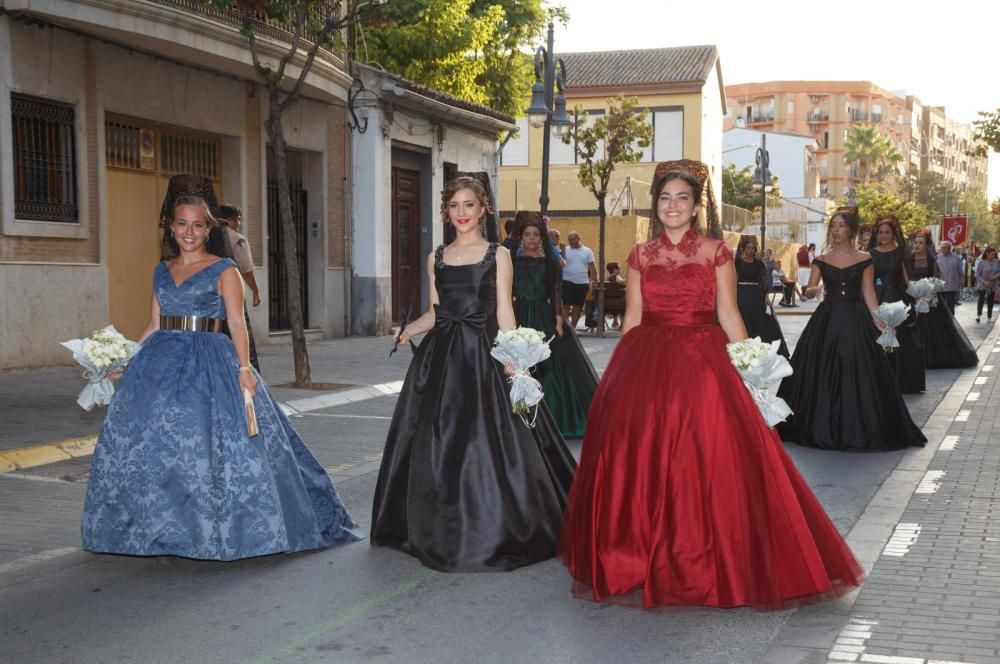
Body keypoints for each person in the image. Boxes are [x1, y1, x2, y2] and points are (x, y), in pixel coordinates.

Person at [560, 166, 863, 609]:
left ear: (696, 207)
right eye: (665, 198)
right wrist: (617, 376)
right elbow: (633, 316)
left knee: (706, 455)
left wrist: (752, 371)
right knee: (645, 456)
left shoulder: (717, 252)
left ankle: (702, 559)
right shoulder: (640, 254)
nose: (673, 206)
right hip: (646, 361)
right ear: (656, 204)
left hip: (704, 360)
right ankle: (641, 555)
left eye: (682, 198)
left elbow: (729, 314)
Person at [81, 193, 361, 560]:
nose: (189, 232)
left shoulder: (225, 269)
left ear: (208, 228)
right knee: (148, 442)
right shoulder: (161, 270)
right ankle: (158, 529)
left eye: (198, 225)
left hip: (209, 358)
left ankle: (218, 530)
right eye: (182, 224)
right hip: (160, 360)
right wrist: (126, 360)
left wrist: (244, 370)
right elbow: (153, 324)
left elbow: (235, 323)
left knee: (208, 446)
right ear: (171, 227)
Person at [371, 177, 576, 572]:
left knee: (490, 440)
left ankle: (496, 525)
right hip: (442, 358)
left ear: (483, 209)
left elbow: (504, 313)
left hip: (484, 354)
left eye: (469, 205)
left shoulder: (497, 255)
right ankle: (439, 525)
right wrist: (408, 330)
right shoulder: (437, 257)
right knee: (439, 439)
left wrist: (516, 358)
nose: (461, 213)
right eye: (454, 206)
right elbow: (436, 311)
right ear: (446, 211)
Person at [777, 210, 927, 451]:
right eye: (833, 226)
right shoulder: (821, 260)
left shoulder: (865, 259)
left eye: (841, 226)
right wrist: (811, 291)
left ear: (851, 230)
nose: (836, 230)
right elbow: (809, 289)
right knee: (819, 368)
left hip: (856, 318)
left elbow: (868, 293)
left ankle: (861, 423)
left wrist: (879, 318)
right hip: (828, 318)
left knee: (860, 367)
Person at [512, 215, 598, 438]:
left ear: (541, 238)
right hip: (517, 314)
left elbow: (556, 291)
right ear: (520, 237)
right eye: (527, 235)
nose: (531, 238)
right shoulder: (512, 261)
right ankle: (520, 417)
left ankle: (554, 418)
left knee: (549, 366)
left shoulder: (550, 262)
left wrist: (559, 318)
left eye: (535, 235)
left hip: (543, 315)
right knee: (520, 366)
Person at [867, 216, 925, 394]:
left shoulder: (901, 252)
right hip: (877, 296)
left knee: (902, 338)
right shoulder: (870, 254)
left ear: (893, 235)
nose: (883, 236)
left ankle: (901, 380)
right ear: (876, 234)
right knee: (878, 336)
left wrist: (917, 296)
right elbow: (867, 281)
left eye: (887, 232)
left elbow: (907, 277)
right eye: (881, 232)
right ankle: (881, 380)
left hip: (898, 297)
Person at [908, 231, 977, 368]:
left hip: (930, 297)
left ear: (926, 245)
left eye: (921, 243)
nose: (917, 245)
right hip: (913, 298)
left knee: (934, 328)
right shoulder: (909, 260)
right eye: (916, 242)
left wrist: (930, 292)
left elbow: (935, 279)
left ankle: (933, 356)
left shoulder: (931, 260)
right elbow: (907, 279)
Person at [217, 204, 262, 373]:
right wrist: (255, 291)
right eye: (238, 219)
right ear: (231, 220)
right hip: (231, 293)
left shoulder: (206, 236)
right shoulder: (236, 239)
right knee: (237, 330)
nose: (239, 223)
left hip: (210, 298)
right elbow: (246, 269)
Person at [735, 235, 789, 358]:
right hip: (741, 294)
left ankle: (760, 350)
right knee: (743, 319)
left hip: (756, 295)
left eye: (753, 248)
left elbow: (763, 280)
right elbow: (734, 280)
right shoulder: (737, 262)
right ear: (743, 248)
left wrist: (766, 295)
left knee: (760, 321)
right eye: (748, 248)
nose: (751, 251)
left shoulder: (759, 263)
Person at [562, 231, 597, 329]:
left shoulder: (587, 251)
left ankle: (573, 328)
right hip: (566, 281)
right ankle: (566, 328)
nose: (571, 242)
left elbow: (592, 267)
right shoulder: (565, 250)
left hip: (582, 282)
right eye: (569, 240)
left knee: (578, 306)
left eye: (573, 240)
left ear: (578, 239)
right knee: (566, 305)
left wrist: (595, 281)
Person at [935, 240, 963, 313]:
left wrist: (962, 280)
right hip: (940, 285)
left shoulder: (956, 257)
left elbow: (960, 270)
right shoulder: (937, 257)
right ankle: (943, 321)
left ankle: (951, 321)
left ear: (949, 248)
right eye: (942, 248)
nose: (942, 249)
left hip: (952, 284)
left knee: (950, 304)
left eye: (944, 247)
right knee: (941, 305)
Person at [974, 247, 999, 323]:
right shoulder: (981, 262)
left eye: (994, 254)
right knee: (981, 300)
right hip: (982, 284)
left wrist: (994, 277)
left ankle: (989, 317)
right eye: (992, 254)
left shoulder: (996, 262)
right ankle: (978, 315)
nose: (993, 256)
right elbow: (977, 274)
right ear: (987, 254)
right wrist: (984, 282)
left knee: (990, 301)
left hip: (992, 284)